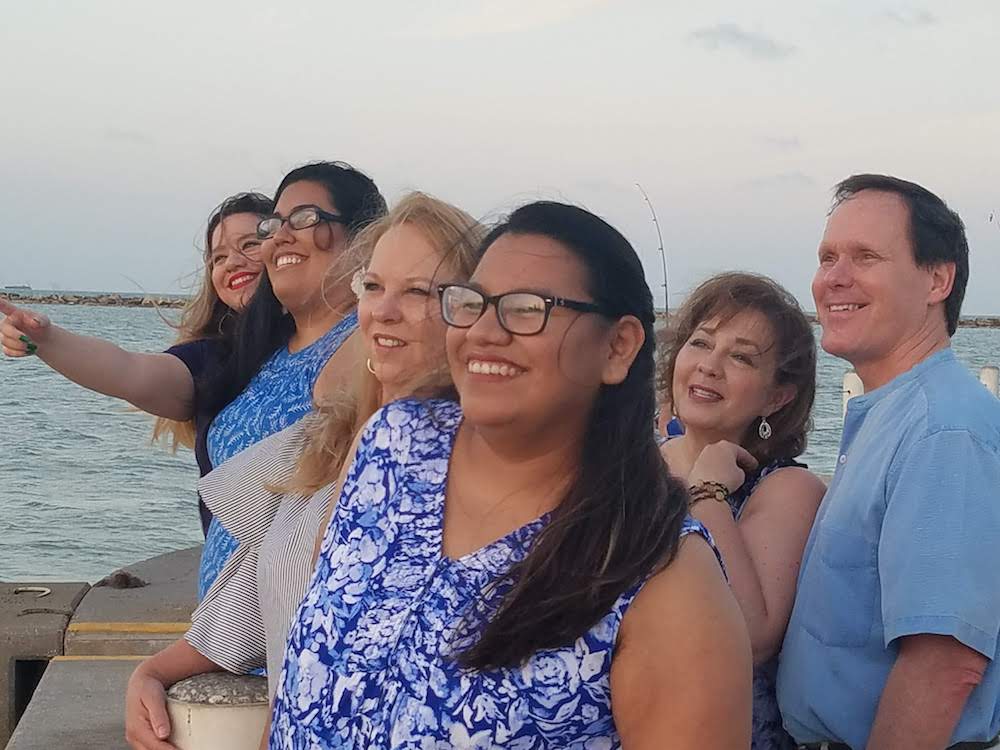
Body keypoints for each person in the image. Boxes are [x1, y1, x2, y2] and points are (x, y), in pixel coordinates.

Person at [269, 201, 752, 748]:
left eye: (527, 309)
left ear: (617, 348)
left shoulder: (662, 581)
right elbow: (300, 675)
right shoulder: (392, 445)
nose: (483, 332)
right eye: (471, 303)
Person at [123, 193, 485, 750]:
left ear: (472, 309)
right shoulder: (328, 446)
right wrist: (151, 672)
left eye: (418, 291)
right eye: (372, 286)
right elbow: (255, 589)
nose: (383, 311)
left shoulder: (483, 461)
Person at [777, 174, 1000, 750]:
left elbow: (945, 665)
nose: (833, 278)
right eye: (827, 257)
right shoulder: (891, 417)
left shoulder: (942, 429)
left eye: (865, 256)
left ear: (937, 279)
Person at [0, 191, 273, 534]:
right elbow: (128, 371)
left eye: (249, 244)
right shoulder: (212, 360)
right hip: (235, 579)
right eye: (217, 258)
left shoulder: (338, 345)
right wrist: (47, 340)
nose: (231, 262)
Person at [196, 160, 387, 599]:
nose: (279, 235)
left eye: (304, 219)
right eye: (274, 224)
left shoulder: (370, 341)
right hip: (234, 635)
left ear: (363, 239)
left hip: (297, 638)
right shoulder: (265, 351)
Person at [657, 272, 825, 750]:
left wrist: (706, 494)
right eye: (700, 343)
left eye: (741, 357)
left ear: (778, 396)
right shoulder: (634, 466)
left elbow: (751, 637)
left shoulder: (787, 488)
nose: (710, 366)